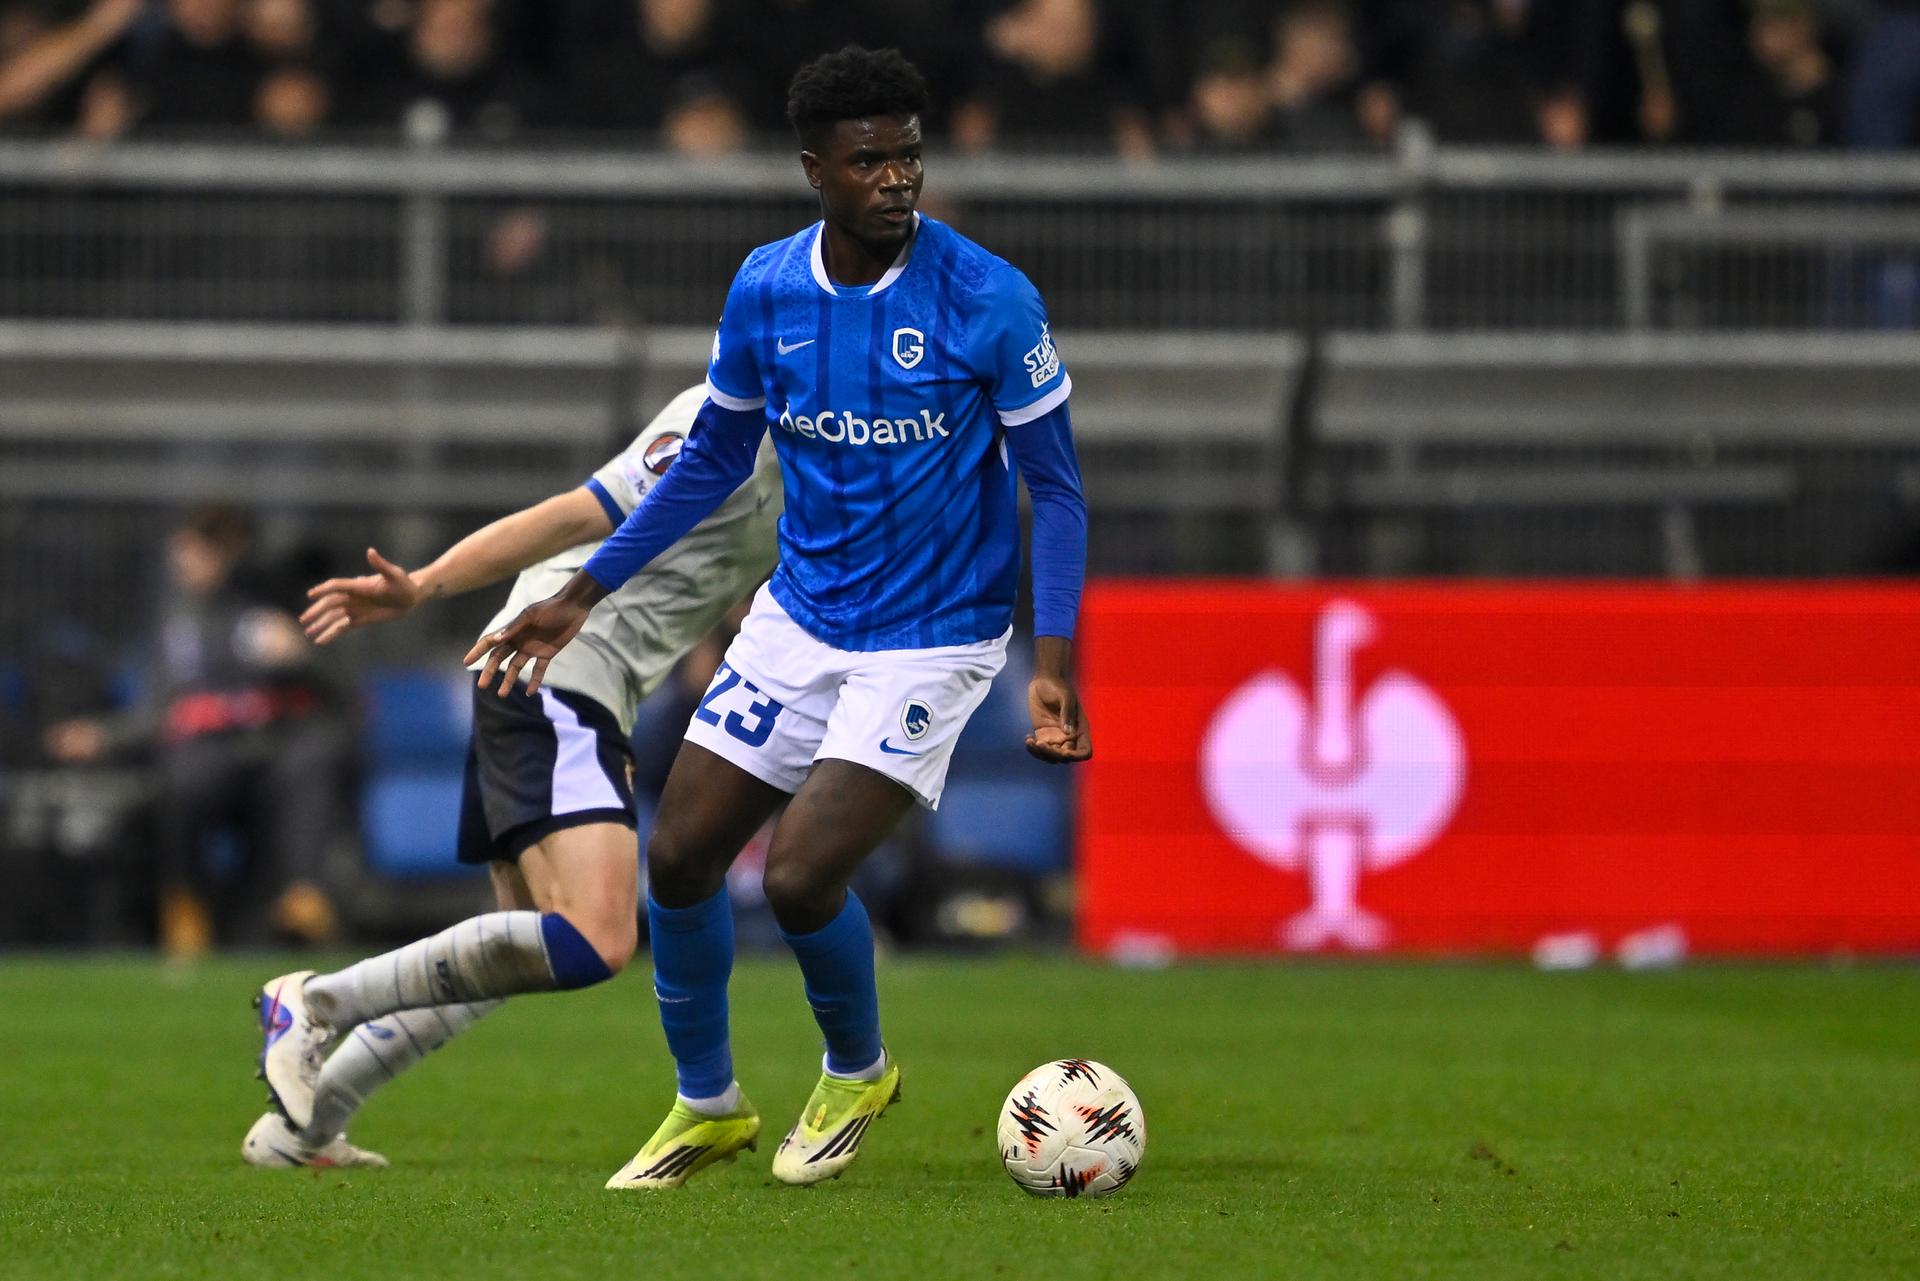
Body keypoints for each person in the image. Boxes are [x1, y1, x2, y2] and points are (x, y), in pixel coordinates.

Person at [466, 44, 1092, 1190]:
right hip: (800, 619)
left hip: (935, 635)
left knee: (801, 877)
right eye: (870, 161)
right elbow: (709, 464)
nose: (897, 179)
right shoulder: (765, 290)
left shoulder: (989, 299)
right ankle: (706, 1104)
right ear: (816, 169)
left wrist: (1049, 660)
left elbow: (1053, 484)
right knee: (683, 855)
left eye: (909, 156)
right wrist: (581, 591)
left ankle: (858, 1069)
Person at [245, 385, 780, 1169]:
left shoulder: (833, 446)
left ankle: (302, 1129)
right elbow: (579, 510)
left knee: (518, 944)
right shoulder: (730, 415)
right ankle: (316, 1004)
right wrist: (424, 584)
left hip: (582, 684)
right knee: (597, 935)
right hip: (555, 668)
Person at [44, 503, 356, 959]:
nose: (182, 564)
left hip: (277, 748)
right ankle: (185, 907)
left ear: (225, 554)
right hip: (212, 755)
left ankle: (303, 898)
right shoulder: (179, 621)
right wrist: (105, 736)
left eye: (194, 552)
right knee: (184, 778)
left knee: (312, 761)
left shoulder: (284, 604)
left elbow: (344, 693)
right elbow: (160, 710)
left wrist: (300, 657)